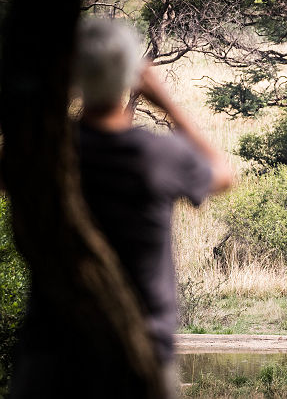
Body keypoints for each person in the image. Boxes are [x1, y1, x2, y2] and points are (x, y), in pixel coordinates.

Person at [10, 19, 232, 398]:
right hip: (142, 348)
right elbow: (224, 175)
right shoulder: (155, 156)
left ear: (75, 75)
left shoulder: (49, 157)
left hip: (52, 347)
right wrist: (168, 105)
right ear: (130, 77)